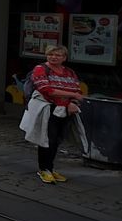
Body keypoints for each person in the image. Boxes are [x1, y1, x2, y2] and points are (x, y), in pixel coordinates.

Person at [24, 46, 82, 184]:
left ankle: (50, 168)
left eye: (58, 55)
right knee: (47, 139)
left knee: (56, 140)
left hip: (65, 110)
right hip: (47, 109)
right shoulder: (40, 69)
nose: (54, 57)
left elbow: (77, 88)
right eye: (51, 54)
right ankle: (44, 169)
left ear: (64, 58)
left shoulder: (69, 72)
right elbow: (46, 90)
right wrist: (72, 95)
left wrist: (72, 102)